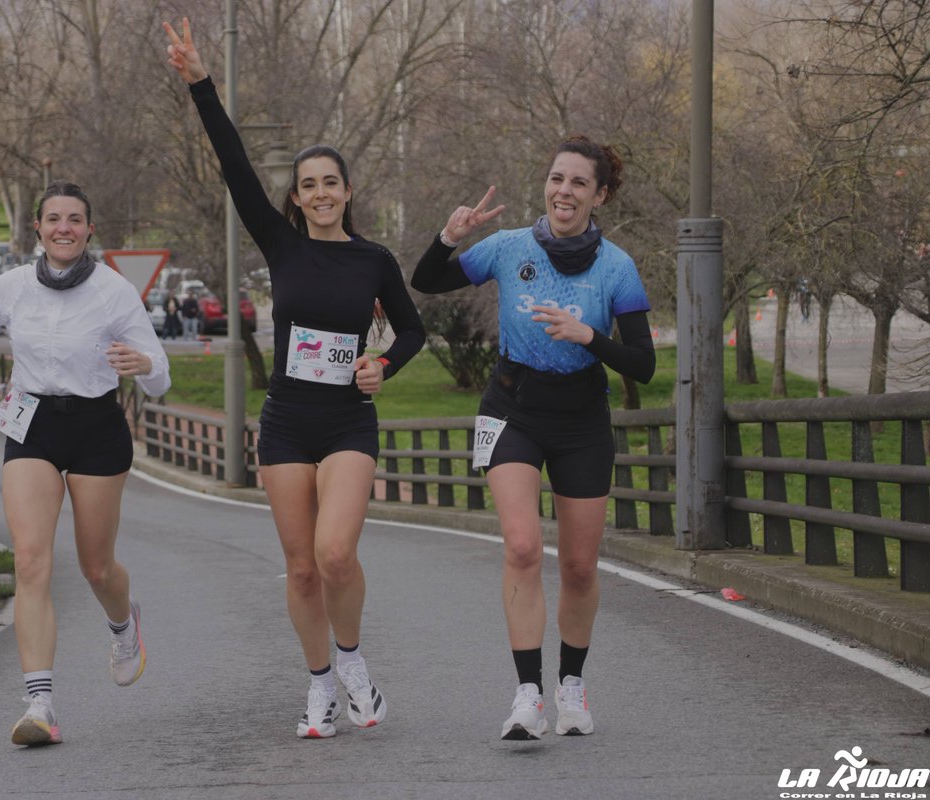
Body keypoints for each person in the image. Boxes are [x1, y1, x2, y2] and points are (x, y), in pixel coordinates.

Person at [166, 17, 426, 740]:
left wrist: (383, 366)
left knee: (335, 554)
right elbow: (234, 167)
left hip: (346, 420)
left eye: (330, 184)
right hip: (285, 421)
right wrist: (201, 86)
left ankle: (352, 663)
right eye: (307, 185)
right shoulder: (280, 244)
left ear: (347, 191)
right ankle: (318, 687)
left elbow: (413, 330)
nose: (319, 194)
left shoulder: (372, 260)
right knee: (301, 569)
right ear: (297, 197)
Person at [0, 181, 171, 747]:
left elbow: (162, 377)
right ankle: (39, 703)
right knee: (30, 561)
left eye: (75, 219)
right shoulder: (15, 286)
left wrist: (143, 362)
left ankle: (124, 624)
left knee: (98, 568)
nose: (64, 228)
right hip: (33, 427)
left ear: (89, 229)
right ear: (38, 229)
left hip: (97, 429)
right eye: (53, 219)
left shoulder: (114, 292)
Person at [411, 138, 655, 741]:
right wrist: (451, 235)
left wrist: (587, 337)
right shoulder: (509, 246)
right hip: (512, 408)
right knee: (521, 547)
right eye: (555, 178)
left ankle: (571, 687)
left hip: (580, 420)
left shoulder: (617, 267)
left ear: (600, 195)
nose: (563, 191)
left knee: (577, 564)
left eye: (578, 183)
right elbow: (426, 280)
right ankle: (527, 695)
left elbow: (644, 364)